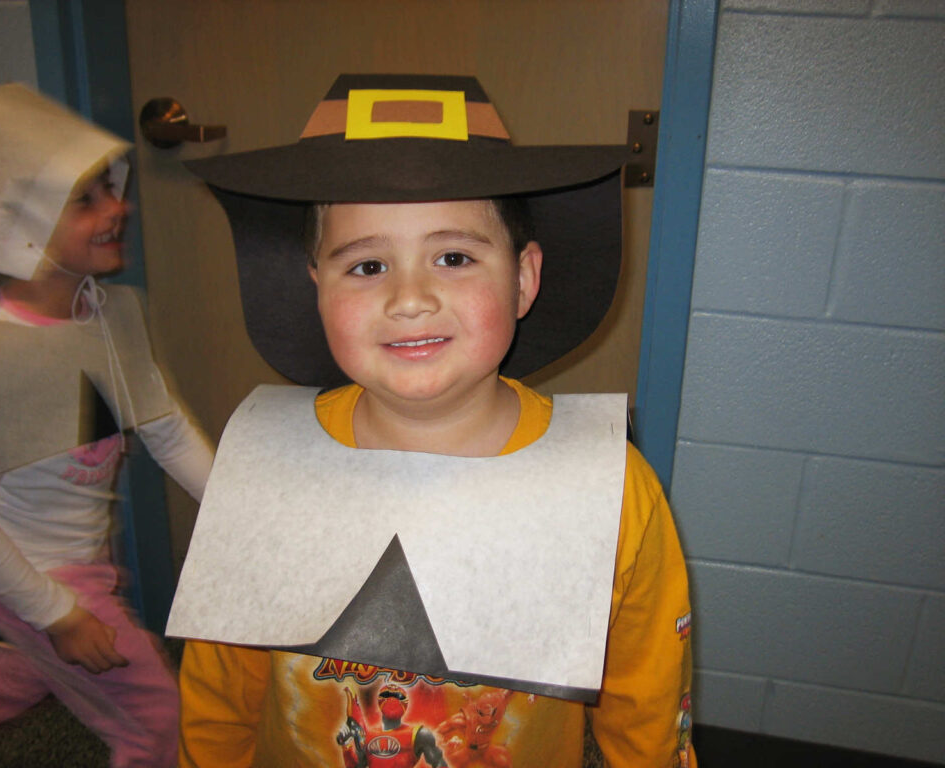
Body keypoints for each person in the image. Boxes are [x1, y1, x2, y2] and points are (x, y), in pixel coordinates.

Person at [175, 74, 696, 768]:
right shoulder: (263, 470)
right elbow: (220, 692)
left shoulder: (609, 490)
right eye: (366, 265)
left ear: (523, 279)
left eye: (453, 257)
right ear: (315, 288)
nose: (410, 297)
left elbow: (648, 708)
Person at [0, 83, 214, 767]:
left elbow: (163, 424)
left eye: (109, 188)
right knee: (154, 716)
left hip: (79, 559)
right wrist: (56, 611)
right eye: (86, 199)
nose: (120, 207)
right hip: (20, 573)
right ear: (19, 222)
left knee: (36, 669)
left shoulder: (106, 315)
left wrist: (236, 509)